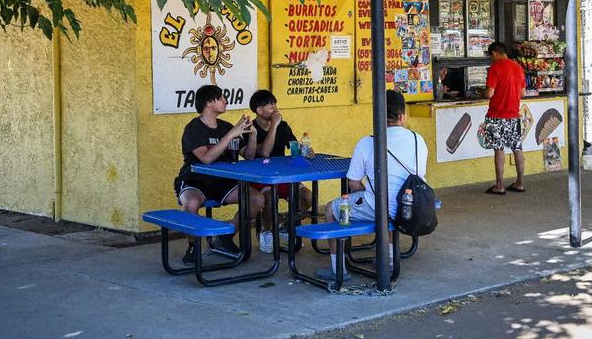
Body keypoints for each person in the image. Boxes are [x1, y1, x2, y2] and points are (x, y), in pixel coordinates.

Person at [318, 90, 429, 281]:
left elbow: (353, 183)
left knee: (331, 209)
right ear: (402, 116)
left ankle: (339, 271)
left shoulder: (368, 143)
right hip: (412, 206)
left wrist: (365, 194)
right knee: (386, 205)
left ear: (377, 115)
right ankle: (389, 260)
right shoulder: (418, 139)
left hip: (382, 207)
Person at [175, 84, 265, 263]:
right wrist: (231, 134)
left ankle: (226, 236)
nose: (226, 100)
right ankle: (193, 246)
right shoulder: (193, 128)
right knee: (191, 203)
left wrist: (253, 135)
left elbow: (248, 155)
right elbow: (206, 159)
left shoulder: (226, 126)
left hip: (224, 181)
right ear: (208, 103)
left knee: (257, 199)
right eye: (221, 97)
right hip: (195, 179)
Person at [247, 89, 313, 253]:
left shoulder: (283, 126)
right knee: (271, 198)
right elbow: (264, 153)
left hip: (282, 174)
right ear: (259, 110)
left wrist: (306, 150)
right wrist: (274, 126)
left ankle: (286, 226)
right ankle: (266, 232)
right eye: (270, 106)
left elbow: (294, 147)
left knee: (308, 197)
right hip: (259, 176)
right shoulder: (250, 128)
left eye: (275, 104)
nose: (275, 109)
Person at [482, 41, 525, 195]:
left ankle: (500, 185)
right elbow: (523, 94)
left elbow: (489, 94)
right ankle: (520, 182)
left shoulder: (495, 68)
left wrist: (482, 91)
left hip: (496, 116)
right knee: (517, 148)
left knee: (498, 149)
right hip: (514, 115)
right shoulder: (518, 68)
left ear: (494, 53)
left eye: (490, 56)